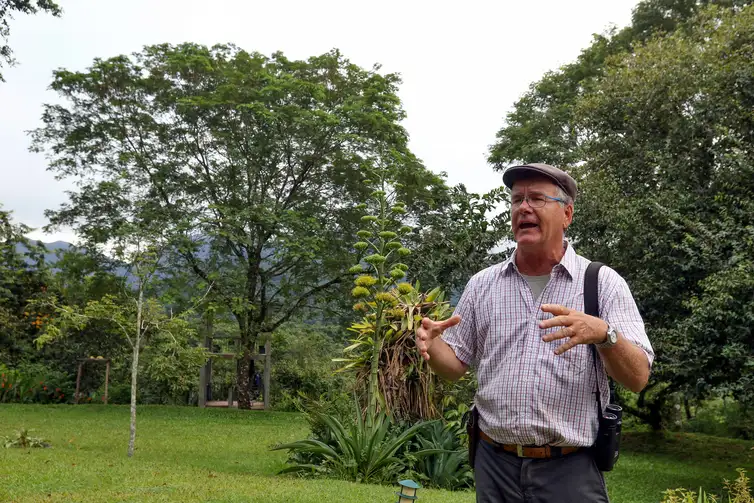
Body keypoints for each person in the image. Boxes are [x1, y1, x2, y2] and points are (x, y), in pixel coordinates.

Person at [416, 163, 654, 503]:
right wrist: (432, 344)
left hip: (569, 470)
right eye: (516, 200)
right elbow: (454, 366)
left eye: (537, 199)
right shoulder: (483, 284)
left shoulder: (602, 284)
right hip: (493, 464)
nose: (523, 208)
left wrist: (604, 333)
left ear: (567, 213)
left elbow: (638, 377)